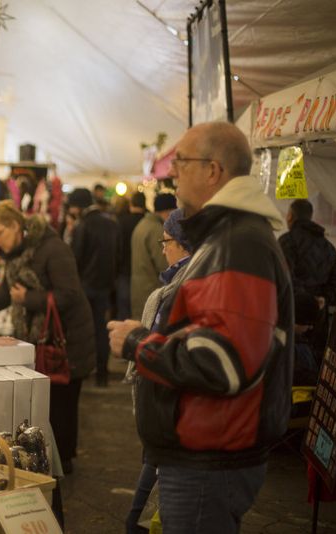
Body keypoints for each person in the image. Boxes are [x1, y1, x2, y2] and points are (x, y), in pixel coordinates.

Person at [108, 121, 294, 533]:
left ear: (214, 170)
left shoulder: (239, 243)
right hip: (203, 453)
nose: (172, 172)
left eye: (182, 161)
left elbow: (224, 361)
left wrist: (139, 343)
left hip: (211, 458)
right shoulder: (226, 238)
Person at [0, 200, 95, 474]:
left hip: (67, 340)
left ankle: (62, 465)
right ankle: (51, 458)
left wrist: (28, 298)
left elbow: (69, 294)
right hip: (45, 339)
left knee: (63, 401)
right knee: (51, 401)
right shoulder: (18, 256)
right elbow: (6, 292)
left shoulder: (52, 249)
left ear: (16, 226)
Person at [124, 208, 192, 533]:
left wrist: (132, 340)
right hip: (167, 420)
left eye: (166, 242)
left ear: (181, 242)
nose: (163, 248)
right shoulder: (176, 284)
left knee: (145, 511)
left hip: (169, 419)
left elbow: (163, 353)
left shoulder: (178, 290)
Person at [68, 187, 119, 387]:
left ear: (78, 206)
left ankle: (84, 371)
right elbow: (119, 255)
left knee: (83, 330)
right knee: (101, 328)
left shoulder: (82, 226)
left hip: (85, 286)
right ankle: (102, 374)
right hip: (105, 286)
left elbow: (76, 258)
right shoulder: (111, 224)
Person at [278, 198, 336, 355]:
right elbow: (335, 284)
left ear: (290, 216)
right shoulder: (330, 248)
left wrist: (306, 301)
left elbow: (285, 279)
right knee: (312, 370)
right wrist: (321, 300)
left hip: (291, 317)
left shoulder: (287, 241)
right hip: (319, 321)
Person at [129, 192, 176, 319]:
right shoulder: (156, 230)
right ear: (167, 212)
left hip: (139, 288)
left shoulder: (143, 224)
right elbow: (164, 264)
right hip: (151, 290)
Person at [116, 191, 146, 320]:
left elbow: (117, 248)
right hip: (143, 273)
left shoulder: (121, 222)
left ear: (131, 204)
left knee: (124, 310)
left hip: (124, 270)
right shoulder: (148, 223)